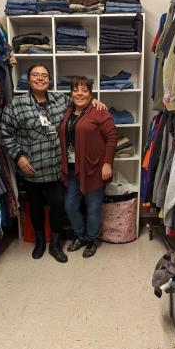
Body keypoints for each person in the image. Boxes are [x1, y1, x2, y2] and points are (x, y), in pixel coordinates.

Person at [0, 64, 106, 263]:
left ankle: (55, 244)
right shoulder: (16, 104)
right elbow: (5, 134)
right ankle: (40, 241)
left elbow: (81, 101)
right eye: (35, 75)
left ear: (49, 80)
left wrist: (96, 101)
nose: (40, 78)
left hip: (57, 168)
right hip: (30, 169)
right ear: (29, 79)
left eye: (44, 75)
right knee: (36, 206)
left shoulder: (60, 100)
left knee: (58, 206)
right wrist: (18, 157)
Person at [59, 76, 118, 258]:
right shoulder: (67, 111)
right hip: (72, 169)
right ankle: (80, 235)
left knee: (93, 208)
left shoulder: (99, 112)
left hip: (94, 169)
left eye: (84, 90)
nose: (80, 94)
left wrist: (107, 163)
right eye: (76, 90)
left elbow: (112, 137)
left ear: (91, 94)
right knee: (70, 205)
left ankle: (92, 239)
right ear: (71, 93)